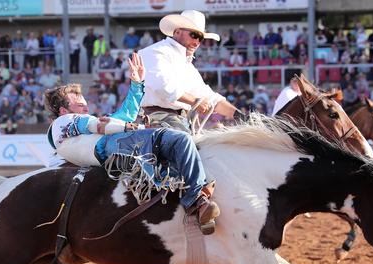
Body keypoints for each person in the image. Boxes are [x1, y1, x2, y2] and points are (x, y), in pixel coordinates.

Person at [45, 53, 220, 233]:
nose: (86, 108)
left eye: (85, 104)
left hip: (112, 146)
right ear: (64, 110)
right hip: (111, 145)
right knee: (180, 140)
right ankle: (196, 198)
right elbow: (98, 125)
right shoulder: (62, 122)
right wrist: (133, 127)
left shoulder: (72, 134)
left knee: (177, 143)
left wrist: (137, 85)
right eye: (80, 105)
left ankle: (189, 193)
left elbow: (120, 118)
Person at [138, 10, 238, 133]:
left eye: (201, 38)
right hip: (156, 119)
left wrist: (241, 116)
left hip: (182, 122)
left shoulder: (188, 66)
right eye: (194, 35)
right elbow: (163, 86)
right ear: (177, 31)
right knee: (184, 142)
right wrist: (195, 101)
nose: (197, 42)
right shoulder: (155, 52)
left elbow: (209, 97)